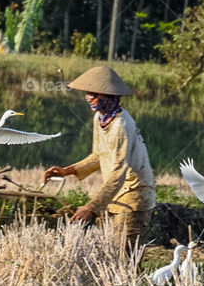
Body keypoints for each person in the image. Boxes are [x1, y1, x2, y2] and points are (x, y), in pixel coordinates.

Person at [43, 66, 155, 257]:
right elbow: (99, 155)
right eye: (88, 94)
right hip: (113, 194)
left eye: (94, 94)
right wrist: (66, 171)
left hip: (134, 195)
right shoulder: (100, 118)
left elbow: (119, 172)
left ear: (109, 96)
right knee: (106, 254)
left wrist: (91, 207)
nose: (89, 98)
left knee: (125, 258)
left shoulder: (121, 125)